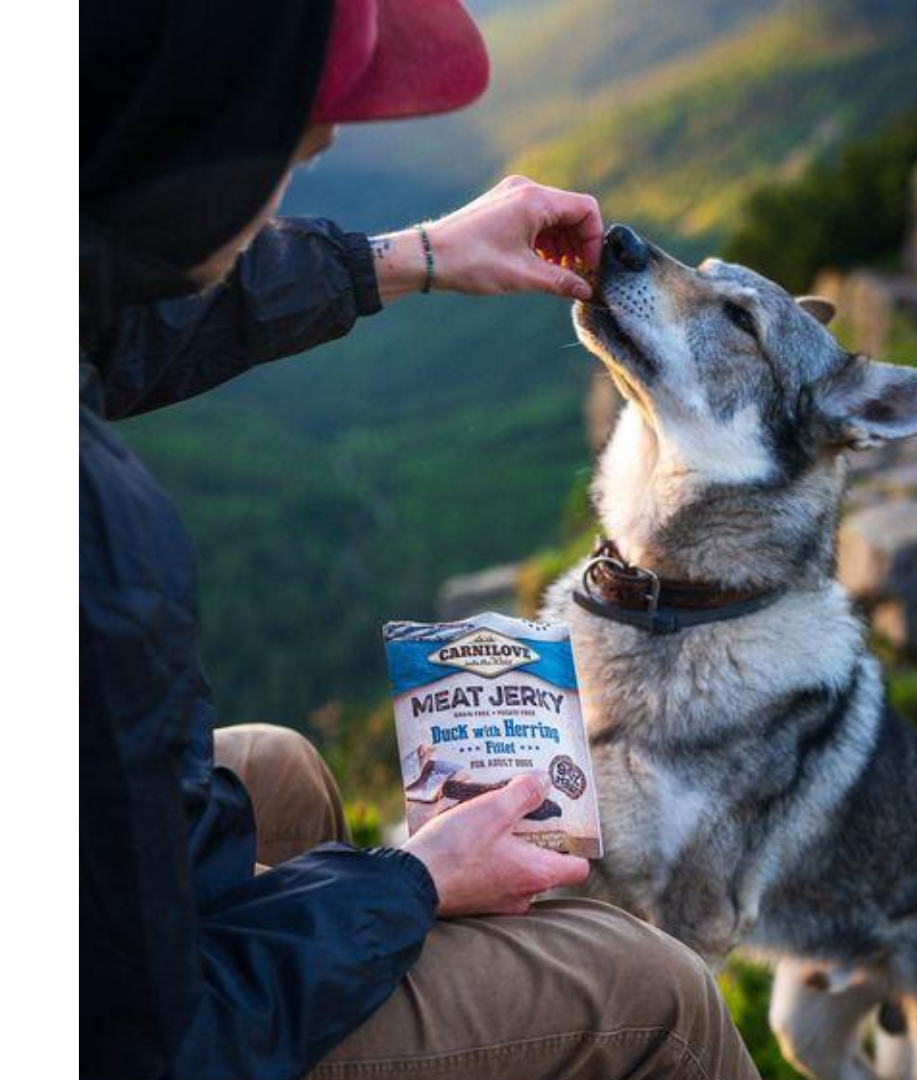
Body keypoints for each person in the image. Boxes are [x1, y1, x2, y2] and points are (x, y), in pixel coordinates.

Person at [80, 3, 762, 1079]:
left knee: (282, 774)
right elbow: (153, 1045)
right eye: (293, 155)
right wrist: (413, 884)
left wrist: (416, 256)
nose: (283, 201)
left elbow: (104, 317)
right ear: (189, 154)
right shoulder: (93, 552)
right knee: (652, 990)